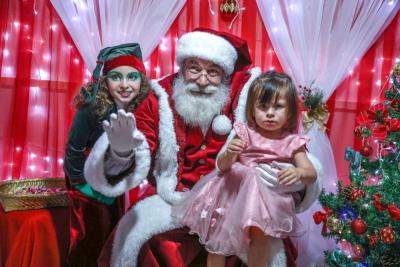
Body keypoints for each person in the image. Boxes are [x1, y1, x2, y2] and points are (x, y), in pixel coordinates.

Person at [84, 28, 322, 267]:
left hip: (237, 196)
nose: (202, 79)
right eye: (194, 68)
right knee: (139, 242)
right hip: (172, 198)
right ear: (182, 67)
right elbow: (140, 142)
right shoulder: (158, 96)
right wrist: (121, 151)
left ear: (225, 74)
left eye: (213, 72)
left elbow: (286, 145)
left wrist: (293, 178)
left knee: (264, 248)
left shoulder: (246, 94)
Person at [171, 71, 317, 267]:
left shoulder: (292, 142)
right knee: (217, 241)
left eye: (278, 106)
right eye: (263, 107)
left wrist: (299, 172)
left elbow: (311, 173)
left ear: (290, 112)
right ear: (252, 109)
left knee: (260, 239)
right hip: (232, 194)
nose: (270, 113)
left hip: (265, 201)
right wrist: (230, 154)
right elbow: (222, 166)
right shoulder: (245, 133)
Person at [64, 43, 151, 266]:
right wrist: (83, 187)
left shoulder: (138, 106)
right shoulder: (91, 107)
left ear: (141, 80)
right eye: (116, 77)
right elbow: (73, 150)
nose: (124, 85)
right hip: (85, 186)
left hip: (113, 183)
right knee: (90, 239)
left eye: (132, 77)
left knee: (112, 237)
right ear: (104, 80)